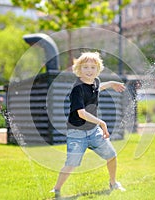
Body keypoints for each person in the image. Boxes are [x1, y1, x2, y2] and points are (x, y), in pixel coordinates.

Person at [50, 52, 126, 198]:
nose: (89, 70)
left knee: (111, 155)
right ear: (79, 69)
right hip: (77, 133)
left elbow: (98, 87)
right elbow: (81, 113)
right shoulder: (77, 88)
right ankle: (57, 189)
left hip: (93, 131)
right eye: (85, 67)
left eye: (93, 67)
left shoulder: (95, 81)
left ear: (98, 69)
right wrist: (102, 123)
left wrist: (111, 84)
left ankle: (113, 183)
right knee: (71, 163)